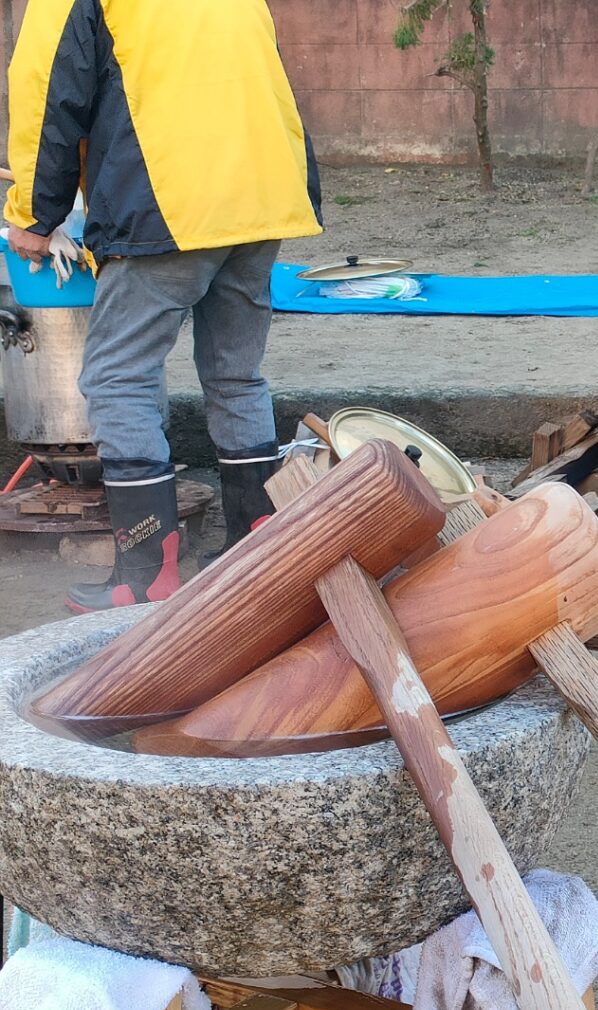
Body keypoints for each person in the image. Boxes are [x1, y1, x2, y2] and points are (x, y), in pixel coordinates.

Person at [4, 0, 323, 614]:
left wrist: (33, 216)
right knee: (235, 374)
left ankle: (146, 572)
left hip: (171, 200)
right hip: (264, 194)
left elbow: (49, 92)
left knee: (116, 377)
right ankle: (252, 551)